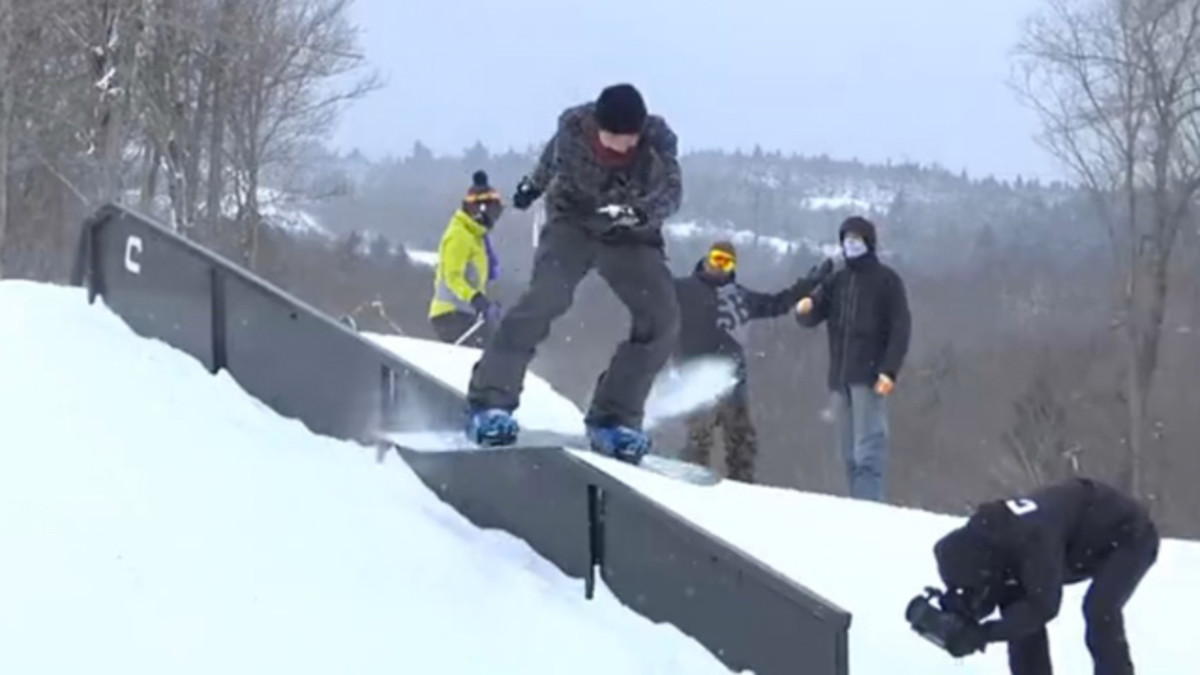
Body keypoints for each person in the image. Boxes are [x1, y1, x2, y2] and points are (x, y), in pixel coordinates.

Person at [463, 82, 682, 461]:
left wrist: (638, 213)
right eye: (612, 137)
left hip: (630, 232)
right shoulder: (573, 132)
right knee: (547, 298)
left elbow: (671, 193)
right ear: (597, 126)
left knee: (661, 318)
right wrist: (533, 186)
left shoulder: (657, 142)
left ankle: (614, 417)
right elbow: (552, 160)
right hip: (573, 223)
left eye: (628, 138)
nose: (620, 146)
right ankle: (490, 402)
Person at [929, 477, 1159, 675]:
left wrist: (981, 635)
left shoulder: (1033, 541)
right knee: (1016, 608)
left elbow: (1043, 607)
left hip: (1131, 536)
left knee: (1099, 610)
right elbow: (995, 593)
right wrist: (961, 612)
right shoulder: (991, 542)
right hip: (1076, 543)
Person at [673, 240, 832, 482]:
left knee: (742, 440)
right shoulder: (683, 290)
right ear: (706, 259)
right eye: (717, 259)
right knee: (698, 437)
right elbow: (657, 307)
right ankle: (688, 486)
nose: (720, 267)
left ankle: (743, 488)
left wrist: (807, 285)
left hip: (732, 378)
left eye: (726, 263)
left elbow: (777, 303)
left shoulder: (739, 297)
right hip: (696, 374)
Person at [795, 215, 910, 502]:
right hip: (839, 378)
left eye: (856, 239)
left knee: (868, 450)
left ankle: (869, 508)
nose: (850, 245)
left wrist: (889, 370)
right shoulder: (837, 281)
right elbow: (811, 317)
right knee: (847, 452)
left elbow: (900, 327)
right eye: (846, 239)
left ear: (869, 243)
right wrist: (805, 307)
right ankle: (855, 505)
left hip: (869, 376)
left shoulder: (886, 281)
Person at [427, 170, 503, 348]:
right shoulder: (459, 235)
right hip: (450, 314)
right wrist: (476, 299)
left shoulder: (477, 237)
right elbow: (452, 277)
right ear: (478, 210)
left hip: (467, 314)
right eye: (492, 212)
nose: (494, 219)